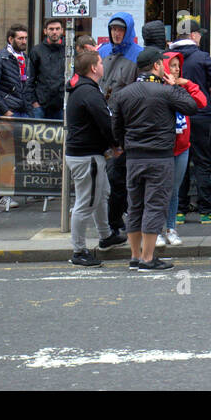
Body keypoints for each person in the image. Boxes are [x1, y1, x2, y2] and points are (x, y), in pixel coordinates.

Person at [110, 46, 200, 272]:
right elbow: (191, 107)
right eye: (163, 64)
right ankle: (148, 258)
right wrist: (174, 85)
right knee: (154, 205)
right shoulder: (165, 91)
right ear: (157, 66)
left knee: (135, 205)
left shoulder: (124, 93)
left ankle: (134, 256)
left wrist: (124, 145)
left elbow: (116, 127)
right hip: (159, 157)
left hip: (134, 157)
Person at [64, 50, 117, 265]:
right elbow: (105, 123)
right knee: (86, 203)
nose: (103, 65)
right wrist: (116, 144)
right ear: (94, 68)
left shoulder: (85, 89)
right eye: (101, 62)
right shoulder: (89, 93)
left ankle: (106, 236)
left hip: (86, 154)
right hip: (87, 156)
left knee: (102, 194)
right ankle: (78, 251)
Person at [170, 21, 211, 223]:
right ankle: (206, 210)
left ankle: (180, 210)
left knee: (180, 161)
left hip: (178, 115)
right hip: (201, 114)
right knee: (203, 162)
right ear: (193, 35)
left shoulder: (170, 57)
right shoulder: (202, 57)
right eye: (199, 34)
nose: (201, 38)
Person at [97, 12, 141, 238]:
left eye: (120, 29)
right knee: (108, 177)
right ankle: (112, 222)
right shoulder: (102, 52)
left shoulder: (137, 55)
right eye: (113, 28)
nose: (116, 33)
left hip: (126, 124)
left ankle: (116, 221)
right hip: (103, 120)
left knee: (119, 176)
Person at [160, 51, 206, 247]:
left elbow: (202, 102)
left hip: (182, 147)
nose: (176, 69)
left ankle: (171, 228)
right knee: (160, 191)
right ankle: (157, 230)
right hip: (162, 148)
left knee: (174, 191)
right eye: (172, 65)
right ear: (163, 67)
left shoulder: (183, 88)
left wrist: (186, 84)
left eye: (178, 65)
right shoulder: (158, 89)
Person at [0, 24, 34, 118]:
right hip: (6, 112)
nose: (24, 41)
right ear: (11, 39)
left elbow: (28, 87)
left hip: (24, 112)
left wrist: (30, 111)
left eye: (25, 38)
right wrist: (5, 111)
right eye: (20, 38)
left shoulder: (26, 60)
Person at [29, 19, 67, 120]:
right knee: (38, 136)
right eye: (51, 29)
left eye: (57, 29)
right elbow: (30, 79)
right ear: (45, 31)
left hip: (62, 105)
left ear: (62, 31)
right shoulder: (36, 51)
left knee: (62, 136)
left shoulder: (69, 50)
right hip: (41, 106)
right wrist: (34, 102)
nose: (54, 32)